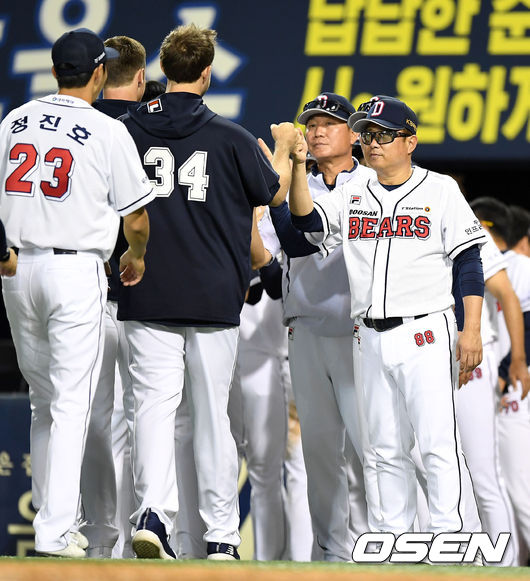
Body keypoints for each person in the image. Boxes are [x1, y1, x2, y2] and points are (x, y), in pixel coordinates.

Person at [117, 24, 294, 560]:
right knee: (213, 415)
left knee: (153, 408)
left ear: (163, 71)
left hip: (146, 287)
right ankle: (221, 536)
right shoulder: (231, 137)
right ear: (207, 73)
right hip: (214, 294)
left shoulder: (125, 131)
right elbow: (274, 194)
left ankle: (153, 513)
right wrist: (284, 148)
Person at [279, 95, 486, 542]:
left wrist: (470, 330)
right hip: (367, 335)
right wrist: (296, 166)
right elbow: (307, 224)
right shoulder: (353, 192)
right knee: (382, 447)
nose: (373, 143)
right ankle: (393, 538)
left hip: (425, 329)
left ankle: (451, 535)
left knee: (435, 443)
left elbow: (469, 263)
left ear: (410, 141)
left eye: (384, 135)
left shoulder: (439, 189)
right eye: (367, 134)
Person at [0, 28, 155, 558]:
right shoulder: (107, 130)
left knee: (44, 402)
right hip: (74, 271)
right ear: (98, 73)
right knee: (70, 402)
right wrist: (136, 255)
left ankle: (51, 519)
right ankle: (56, 529)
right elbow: (137, 220)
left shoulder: (14, 120)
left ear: (53, 71)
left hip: (17, 272)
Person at [259, 92, 374, 561]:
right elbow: (271, 259)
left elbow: (302, 239)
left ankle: (384, 549)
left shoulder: (373, 183)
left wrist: (281, 183)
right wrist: (269, 184)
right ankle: (332, 555)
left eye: (330, 122)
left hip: (359, 334)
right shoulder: (292, 184)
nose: (318, 130)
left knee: (372, 451)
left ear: (354, 135)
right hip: (304, 331)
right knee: (321, 455)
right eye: (312, 123)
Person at [83, 35, 147, 558]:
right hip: (148, 297)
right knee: (151, 419)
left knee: (93, 419)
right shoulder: (151, 128)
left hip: (90, 290)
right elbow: (144, 218)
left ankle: (100, 537)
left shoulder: (82, 128)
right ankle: (150, 533)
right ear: (141, 77)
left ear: (101, 73)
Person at [470, 197, 530, 563]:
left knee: (516, 485)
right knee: (500, 481)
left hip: (515, 385)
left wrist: (513, 365)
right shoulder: (478, 262)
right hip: (495, 383)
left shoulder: (519, 266)